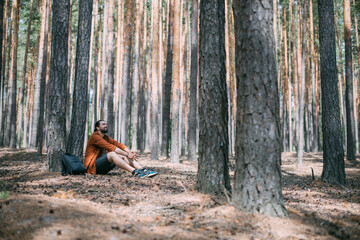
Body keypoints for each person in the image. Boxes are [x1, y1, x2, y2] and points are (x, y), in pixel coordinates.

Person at [84, 120, 157, 178]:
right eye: (103, 124)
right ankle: (135, 172)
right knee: (112, 154)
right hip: (92, 167)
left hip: (101, 167)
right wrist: (128, 154)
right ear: (97, 128)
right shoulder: (95, 137)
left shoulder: (105, 137)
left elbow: (119, 145)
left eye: (106, 124)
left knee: (122, 155)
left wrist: (129, 153)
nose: (106, 125)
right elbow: (112, 148)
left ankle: (143, 170)